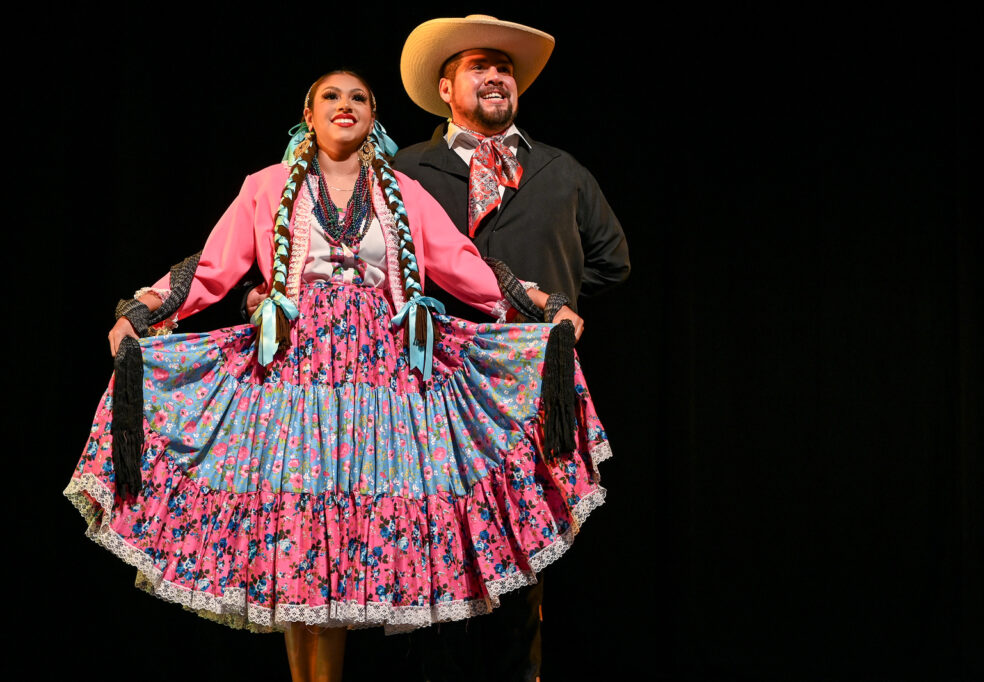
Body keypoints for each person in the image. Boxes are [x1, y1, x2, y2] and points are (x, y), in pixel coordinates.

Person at [65, 71, 611, 682]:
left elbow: (466, 267)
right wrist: (141, 310)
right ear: (308, 112)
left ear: (373, 115)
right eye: (332, 96)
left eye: (358, 98)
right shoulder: (267, 187)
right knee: (300, 546)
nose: (345, 106)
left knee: (345, 550)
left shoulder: (403, 191)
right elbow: (213, 268)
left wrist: (541, 306)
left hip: (384, 386)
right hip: (295, 383)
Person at [391, 16, 630, 680]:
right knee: (429, 549)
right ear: (445, 87)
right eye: (479, 65)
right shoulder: (407, 169)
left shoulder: (560, 170)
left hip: (527, 381)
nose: (497, 76)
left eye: (506, 68)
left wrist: (544, 294)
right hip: (429, 382)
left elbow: (612, 263)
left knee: (524, 552)